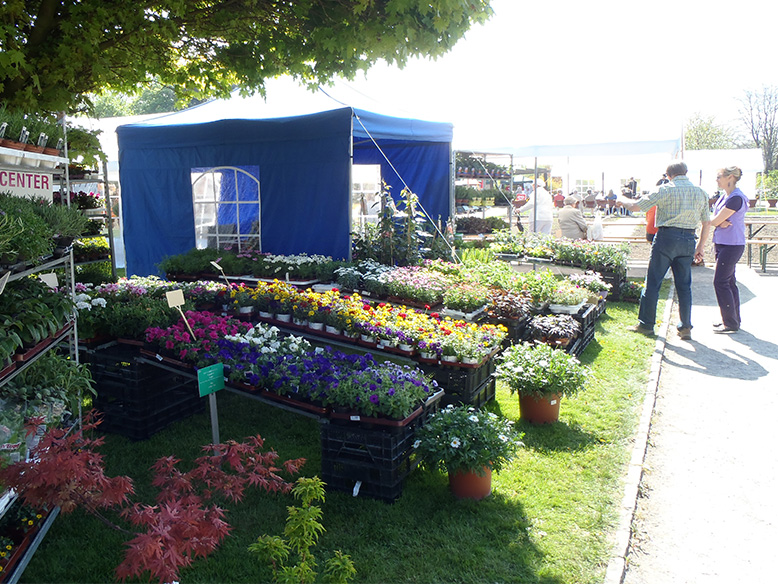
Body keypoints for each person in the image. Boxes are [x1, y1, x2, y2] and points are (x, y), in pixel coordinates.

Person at [617, 161, 711, 340]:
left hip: (666, 238)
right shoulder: (701, 192)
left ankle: (646, 324)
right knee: (684, 286)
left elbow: (636, 206)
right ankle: (685, 327)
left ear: (668, 175)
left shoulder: (665, 189)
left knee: (653, 282)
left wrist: (622, 200)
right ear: (686, 172)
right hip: (689, 239)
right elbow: (707, 222)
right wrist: (701, 247)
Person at [707, 166, 748, 333]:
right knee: (729, 282)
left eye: (719, 177)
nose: (717, 180)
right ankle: (732, 319)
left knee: (721, 282)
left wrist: (717, 221)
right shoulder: (725, 196)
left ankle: (730, 323)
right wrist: (717, 221)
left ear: (730, 177)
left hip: (732, 244)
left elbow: (714, 220)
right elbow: (713, 219)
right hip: (724, 243)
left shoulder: (736, 198)